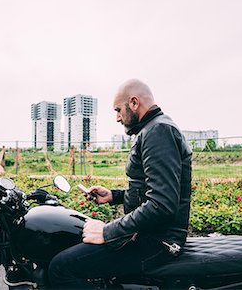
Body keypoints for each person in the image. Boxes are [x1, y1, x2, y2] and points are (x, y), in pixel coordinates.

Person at [48, 79, 192, 289]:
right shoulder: (153, 128)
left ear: (134, 103)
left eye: (118, 110)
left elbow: (162, 205)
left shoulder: (158, 131)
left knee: (61, 268)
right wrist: (114, 196)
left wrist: (108, 231)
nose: (117, 118)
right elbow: (152, 192)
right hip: (150, 234)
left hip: (157, 242)